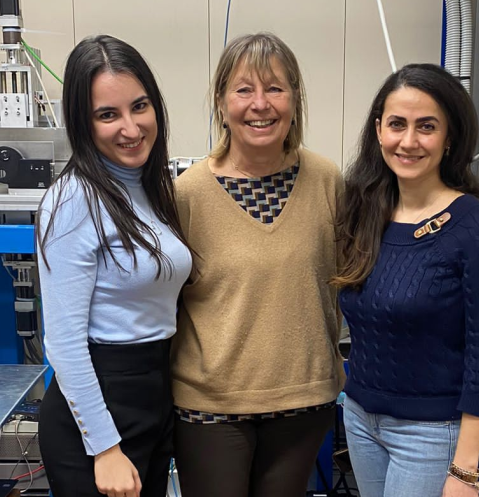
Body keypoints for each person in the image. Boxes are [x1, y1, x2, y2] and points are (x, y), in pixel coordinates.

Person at [171, 32, 345, 497]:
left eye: (275, 88)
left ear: (295, 99)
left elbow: (347, 278)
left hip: (303, 399)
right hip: (210, 405)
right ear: (222, 102)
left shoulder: (327, 180)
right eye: (244, 89)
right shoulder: (188, 193)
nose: (260, 104)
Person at [333, 63, 479, 497]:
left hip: (431, 434)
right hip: (359, 417)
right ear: (379, 130)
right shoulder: (364, 210)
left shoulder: (474, 229)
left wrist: (466, 470)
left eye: (426, 126)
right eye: (397, 124)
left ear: (449, 138)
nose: (408, 141)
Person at [36, 35, 192, 497]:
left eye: (139, 106)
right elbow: (63, 343)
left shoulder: (152, 186)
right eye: (108, 115)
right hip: (101, 408)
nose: (130, 127)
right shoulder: (72, 200)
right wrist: (104, 448)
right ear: (83, 125)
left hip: (154, 393)